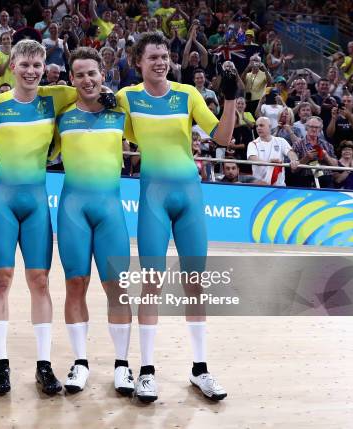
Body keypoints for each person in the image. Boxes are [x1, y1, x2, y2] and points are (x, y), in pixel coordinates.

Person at [116, 31, 237, 402]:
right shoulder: (127, 98)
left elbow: (224, 138)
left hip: (189, 196)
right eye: (152, 56)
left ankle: (200, 369)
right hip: (152, 197)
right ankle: (147, 371)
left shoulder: (188, 94)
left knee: (195, 283)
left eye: (165, 55)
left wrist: (231, 98)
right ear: (138, 62)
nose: (160, 61)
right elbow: (116, 136)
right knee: (150, 283)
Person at [0, 39, 76, 396]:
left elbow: (89, 87)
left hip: (37, 202)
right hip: (2, 202)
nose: (32, 71)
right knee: (1, 281)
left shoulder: (54, 97)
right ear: (11, 66)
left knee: (40, 282)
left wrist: (107, 96)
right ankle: (1, 365)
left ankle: (44, 365)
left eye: (38, 65)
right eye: (25, 65)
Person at [51, 46, 133, 395]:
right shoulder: (63, 117)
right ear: (72, 79)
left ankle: (122, 365)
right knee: (75, 284)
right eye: (80, 74)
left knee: (117, 288)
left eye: (92, 73)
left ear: (104, 75)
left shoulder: (121, 113)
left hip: (111, 211)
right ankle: (80, 362)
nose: (87, 79)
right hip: (72, 211)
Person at [247, 117, 300, 186]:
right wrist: (269, 163)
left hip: (279, 186)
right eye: (257, 126)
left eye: (261, 125)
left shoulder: (281, 141)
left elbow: (291, 152)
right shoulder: (253, 144)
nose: (258, 128)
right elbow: (252, 158)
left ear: (269, 127)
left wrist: (294, 160)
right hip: (259, 186)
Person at [292, 116, 338, 188]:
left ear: (320, 129)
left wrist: (326, 156)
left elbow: (336, 167)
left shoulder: (327, 144)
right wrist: (306, 158)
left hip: (326, 179)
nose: (314, 129)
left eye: (317, 127)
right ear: (306, 128)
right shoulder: (298, 144)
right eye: (311, 127)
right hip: (306, 179)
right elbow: (293, 169)